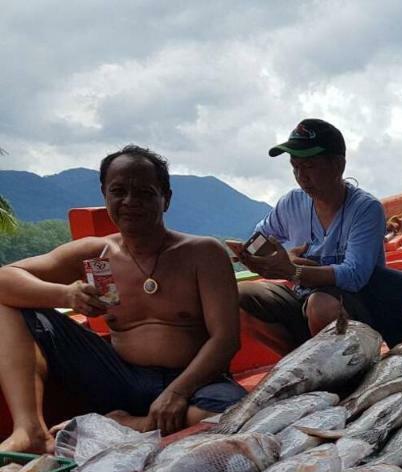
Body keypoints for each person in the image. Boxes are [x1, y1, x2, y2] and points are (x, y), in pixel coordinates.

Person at [0, 145, 244, 452]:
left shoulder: (204, 253)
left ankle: (129, 424)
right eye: (119, 191)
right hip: (118, 376)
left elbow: (225, 339)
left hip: (194, 381)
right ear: (105, 195)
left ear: (165, 198)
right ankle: (31, 430)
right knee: (8, 305)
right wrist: (66, 294)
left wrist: (178, 393)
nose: (130, 202)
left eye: (144, 193)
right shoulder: (94, 253)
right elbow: (4, 279)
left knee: (233, 414)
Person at [233, 119, 402, 354]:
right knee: (239, 296)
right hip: (301, 298)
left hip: (357, 305)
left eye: (309, 166)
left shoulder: (365, 209)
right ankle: (299, 358)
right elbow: (257, 241)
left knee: (321, 305)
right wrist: (279, 256)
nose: (300, 176)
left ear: (338, 165)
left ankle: (343, 371)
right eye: (294, 166)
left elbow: (354, 275)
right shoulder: (291, 203)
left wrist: (291, 271)